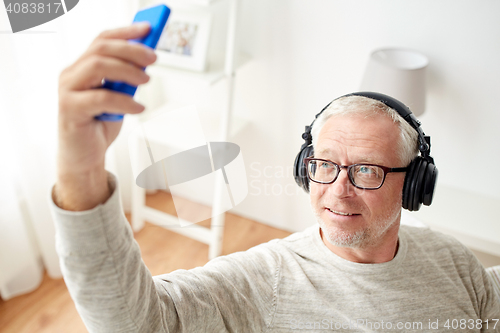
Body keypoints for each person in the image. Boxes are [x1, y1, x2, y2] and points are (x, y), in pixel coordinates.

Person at [51, 23, 500, 332]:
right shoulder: (267, 281)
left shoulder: (454, 264)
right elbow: (136, 322)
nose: (337, 191)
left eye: (366, 170)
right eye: (324, 164)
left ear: (415, 184)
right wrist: (80, 169)